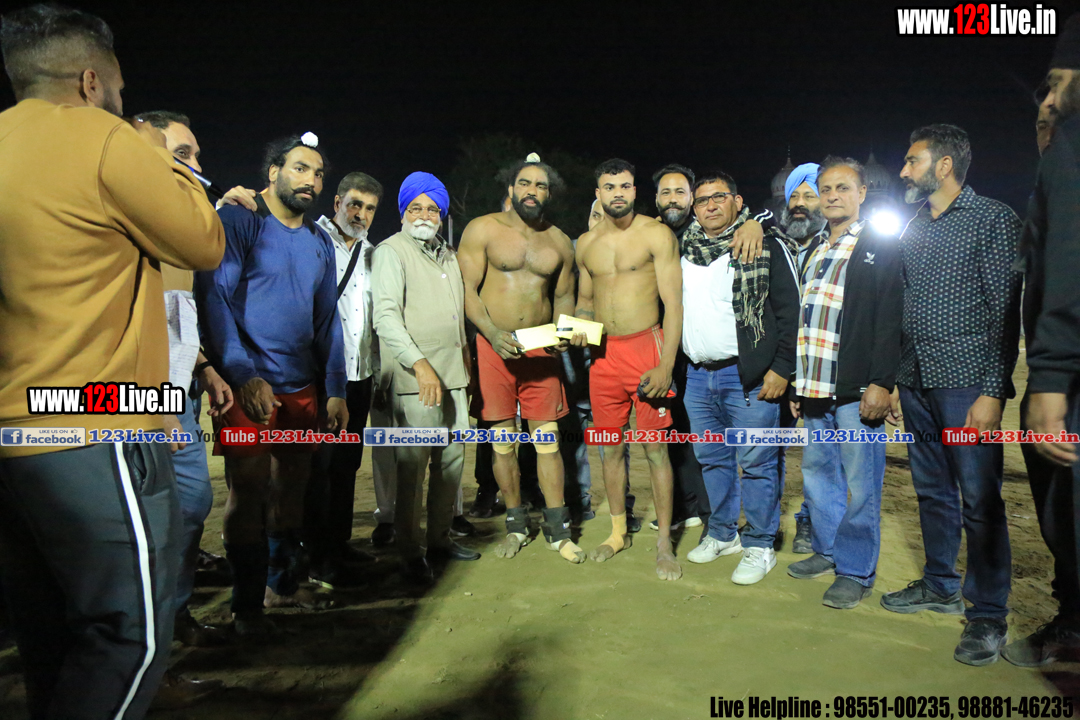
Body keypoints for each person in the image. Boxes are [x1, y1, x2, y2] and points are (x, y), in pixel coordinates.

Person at [0, 5, 225, 718]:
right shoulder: (104, 139)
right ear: (92, 80)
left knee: (52, 637)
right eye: (120, 87)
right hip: (94, 418)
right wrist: (165, 157)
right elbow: (205, 243)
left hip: (13, 431)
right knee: (132, 637)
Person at [881, 124, 1022, 666]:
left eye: (912, 161)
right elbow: (905, 302)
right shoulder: (914, 223)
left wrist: (993, 392)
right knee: (931, 491)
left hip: (967, 385)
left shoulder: (992, 218)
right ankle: (940, 584)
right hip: (916, 381)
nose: (903, 171)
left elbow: (1004, 311)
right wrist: (899, 377)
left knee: (980, 499)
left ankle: (988, 613)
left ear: (943, 165)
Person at [196, 133, 348, 636]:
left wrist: (334, 388)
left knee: (292, 489)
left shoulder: (319, 240)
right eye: (301, 168)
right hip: (248, 388)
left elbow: (328, 320)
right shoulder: (241, 220)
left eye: (318, 173)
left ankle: (281, 584)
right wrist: (243, 375)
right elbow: (215, 299)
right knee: (249, 490)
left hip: (301, 387)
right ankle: (246, 607)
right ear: (273, 172)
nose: (311, 180)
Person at [135, 110, 238, 650]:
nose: (195, 167)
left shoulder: (173, 227)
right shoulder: (123, 221)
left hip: (180, 394)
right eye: (181, 155)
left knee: (193, 505)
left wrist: (203, 367)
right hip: (132, 401)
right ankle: (145, 641)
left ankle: (172, 619)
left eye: (195, 155)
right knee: (146, 520)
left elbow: (177, 313)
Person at [786, 157, 902, 609]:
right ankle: (828, 551)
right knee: (819, 476)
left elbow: (890, 317)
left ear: (862, 193)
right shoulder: (815, 247)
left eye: (843, 188)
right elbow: (807, 320)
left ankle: (856, 571)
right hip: (814, 386)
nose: (833, 196)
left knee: (861, 485)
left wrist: (881, 382)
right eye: (826, 189)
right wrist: (798, 383)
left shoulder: (878, 244)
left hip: (856, 391)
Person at [459, 157, 586, 563]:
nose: (533, 190)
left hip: (540, 350)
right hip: (494, 347)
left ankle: (558, 530)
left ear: (549, 193)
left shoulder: (560, 242)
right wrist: (490, 332)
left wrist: (563, 332)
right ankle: (516, 525)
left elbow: (563, 296)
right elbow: (467, 290)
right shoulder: (482, 229)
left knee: (548, 443)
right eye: (525, 183)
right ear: (511, 188)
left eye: (541, 185)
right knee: (503, 445)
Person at [679, 170, 799, 585]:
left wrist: (782, 368)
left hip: (747, 377)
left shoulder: (764, 243)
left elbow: (790, 311)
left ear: (737, 200)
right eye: (702, 200)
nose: (710, 206)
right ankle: (722, 533)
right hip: (698, 377)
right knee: (713, 460)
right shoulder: (685, 248)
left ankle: (761, 545)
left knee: (757, 463)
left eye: (719, 197)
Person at [1007, 13, 1080, 666]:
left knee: (1068, 510)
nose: (1048, 106)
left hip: (1070, 381)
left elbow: (1070, 269)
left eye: (1059, 85)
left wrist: (1050, 376)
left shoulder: (1072, 151)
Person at [574, 158, 683, 581]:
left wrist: (666, 364)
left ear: (635, 191)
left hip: (646, 349)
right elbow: (585, 302)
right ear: (598, 193)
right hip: (604, 356)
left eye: (624, 186)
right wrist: (577, 329)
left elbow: (674, 304)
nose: (617, 193)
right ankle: (618, 532)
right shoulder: (586, 243)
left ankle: (664, 543)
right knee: (609, 446)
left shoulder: (656, 234)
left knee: (655, 449)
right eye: (609, 186)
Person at [372, 172, 481, 585]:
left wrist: (465, 360)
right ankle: (409, 552)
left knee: (451, 466)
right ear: (403, 212)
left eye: (432, 209)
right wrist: (419, 365)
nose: (424, 215)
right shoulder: (391, 252)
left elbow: (455, 316)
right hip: (416, 380)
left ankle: (439, 541)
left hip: (453, 377)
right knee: (412, 470)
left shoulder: (447, 255)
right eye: (415, 208)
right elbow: (385, 317)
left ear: (441, 214)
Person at [304, 171, 383, 588]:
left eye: (369, 208)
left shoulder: (372, 255)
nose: (360, 214)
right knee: (318, 467)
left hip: (360, 374)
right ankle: (316, 557)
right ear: (337, 202)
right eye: (354, 204)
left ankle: (339, 544)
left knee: (347, 463)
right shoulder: (311, 240)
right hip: (320, 375)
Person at [770, 162, 827, 554]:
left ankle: (810, 521)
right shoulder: (772, 243)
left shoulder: (835, 245)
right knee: (772, 449)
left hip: (823, 366)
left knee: (820, 454)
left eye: (809, 195)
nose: (800, 204)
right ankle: (768, 520)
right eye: (795, 196)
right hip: (782, 366)